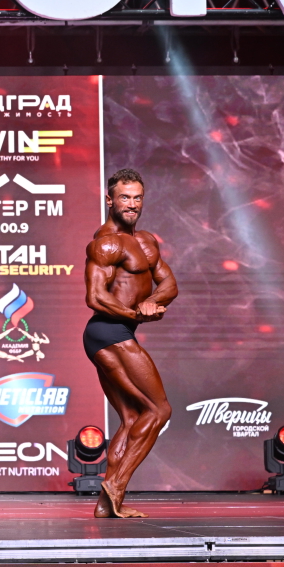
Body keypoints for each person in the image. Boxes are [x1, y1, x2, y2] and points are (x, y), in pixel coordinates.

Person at [84, 168, 177, 518]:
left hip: (119, 331)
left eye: (137, 198)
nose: (132, 204)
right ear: (110, 200)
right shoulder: (106, 242)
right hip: (108, 331)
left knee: (131, 417)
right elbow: (95, 297)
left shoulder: (147, 241)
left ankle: (106, 505)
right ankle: (116, 484)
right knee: (159, 410)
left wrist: (151, 303)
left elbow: (169, 284)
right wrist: (136, 314)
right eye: (124, 197)